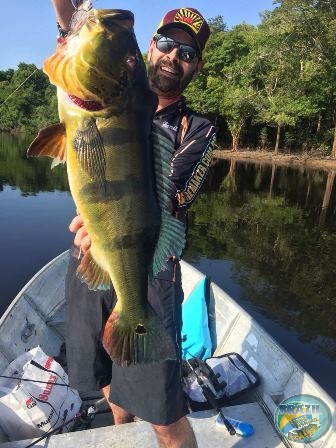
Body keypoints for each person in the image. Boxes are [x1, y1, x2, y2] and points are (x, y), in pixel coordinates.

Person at [52, 2, 216, 447]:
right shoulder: (104, 91)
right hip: (89, 255)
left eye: (187, 53)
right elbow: (71, 22)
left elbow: (167, 200)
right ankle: (123, 436)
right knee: (103, 379)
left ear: (196, 67)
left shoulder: (197, 129)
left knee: (164, 414)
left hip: (148, 270)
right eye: (167, 43)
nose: (173, 57)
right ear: (148, 47)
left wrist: (103, 215)